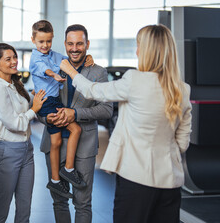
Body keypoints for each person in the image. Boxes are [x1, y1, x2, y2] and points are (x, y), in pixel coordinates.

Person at [60, 24, 192, 223]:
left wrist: (70, 71)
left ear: (147, 50)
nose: (137, 50)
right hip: (170, 181)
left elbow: (93, 91)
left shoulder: (134, 80)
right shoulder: (182, 89)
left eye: (139, 45)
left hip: (136, 180)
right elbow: (182, 143)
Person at [39, 24, 113, 223]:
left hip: (84, 146)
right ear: (64, 44)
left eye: (79, 44)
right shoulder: (53, 66)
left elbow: (106, 110)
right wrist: (46, 118)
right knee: (59, 201)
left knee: (82, 202)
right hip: (53, 143)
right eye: (70, 43)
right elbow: (40, 103)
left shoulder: (98, 73)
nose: (74, 48)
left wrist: (76, 113)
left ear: (87, 44)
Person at [0, 43, 47, 223]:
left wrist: (36, 99)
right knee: (2, 206)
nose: (14, 62)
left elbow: (29, 107)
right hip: (7, 152)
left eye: (14, 57)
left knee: (25, 206)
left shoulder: (16, 84)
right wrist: (34, 109)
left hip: (27, 150)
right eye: (8, 59)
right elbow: (14, 123)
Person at [30, 20, 93, 198]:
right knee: (75, 129)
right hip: (47, 102)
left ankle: (56, 180)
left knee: (56, 142)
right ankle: (67, 170)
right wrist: (54, 74)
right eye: (41, 41)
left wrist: (88, 57)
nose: (45, 45)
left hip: (54, 100)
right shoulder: (35, 58)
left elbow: (71, 60)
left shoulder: (55, 55)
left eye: (48, 41)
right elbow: (45, 70)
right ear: (33, 40)